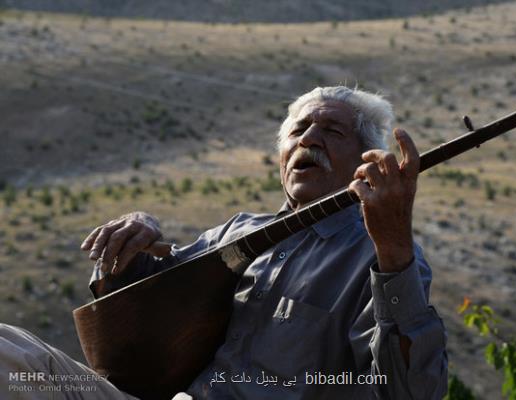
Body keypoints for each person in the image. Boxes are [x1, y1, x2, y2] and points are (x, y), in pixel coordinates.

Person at [0, 86, 447, 399]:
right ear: (281, 155)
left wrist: (394, 250)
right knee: (8, 350)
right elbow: (142, 307)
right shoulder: (237, 232)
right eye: (298, 130)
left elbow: (409, 391)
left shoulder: (379, 255)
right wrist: (131, 245)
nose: (309, 138)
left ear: (365, 159)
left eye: (332, 131)